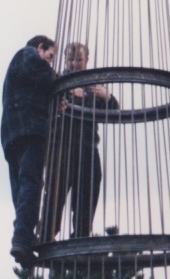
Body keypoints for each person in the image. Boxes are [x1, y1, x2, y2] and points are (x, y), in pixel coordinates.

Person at [44, 42, 118, 240]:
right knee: (56, 191)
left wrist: (107, 97)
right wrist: (65, 95)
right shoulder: (57, 82)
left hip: (88, 146)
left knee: (89, 189)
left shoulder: (93, 87)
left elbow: (114, 113)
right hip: (61, 146)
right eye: (70, 59)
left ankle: (81, 235)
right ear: (65, 60)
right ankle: (47, 234)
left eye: (78, 59)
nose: (74, 63)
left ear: (86, 60)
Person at [1, 35, 56, 266]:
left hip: (13, 134)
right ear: (40, 47)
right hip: (29, 129)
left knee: (22, 188)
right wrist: (63, 86)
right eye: (50, 56)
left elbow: (35, 85)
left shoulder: (21, 68)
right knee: (31, 184)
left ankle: (24, 238)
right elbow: (42, 73)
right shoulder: (27, 54)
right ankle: (22, 238)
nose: (49, 62)